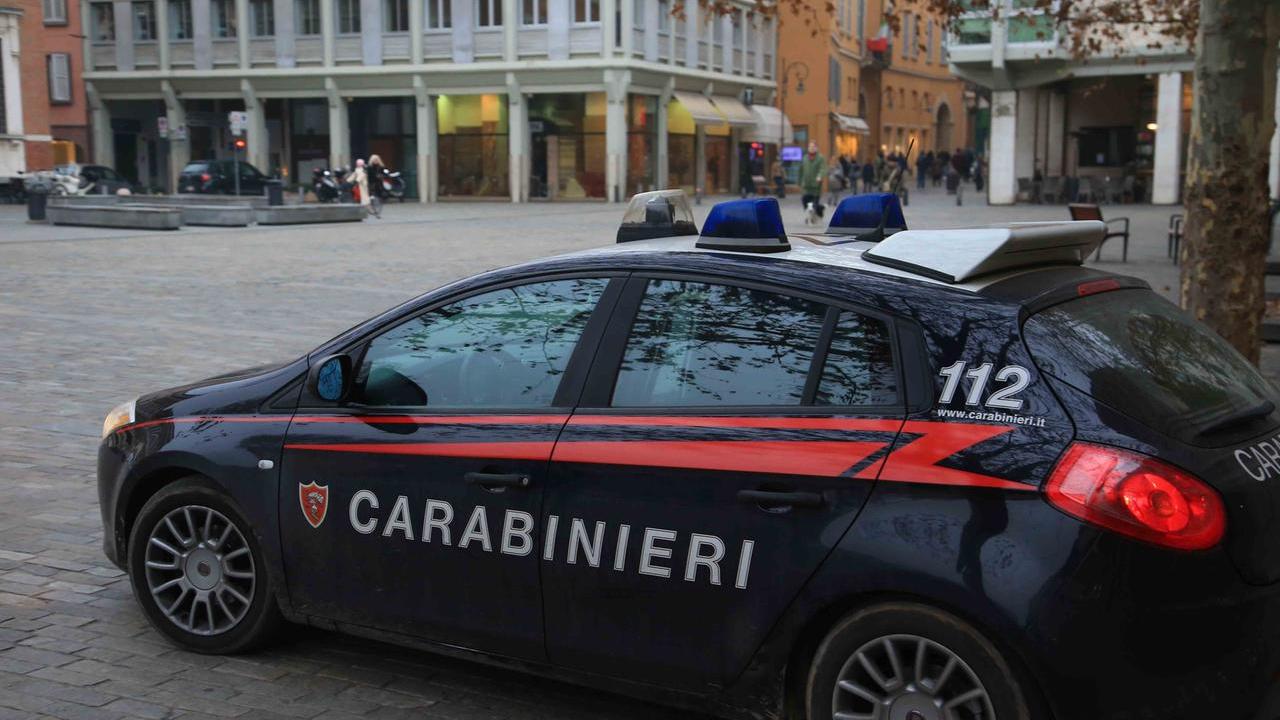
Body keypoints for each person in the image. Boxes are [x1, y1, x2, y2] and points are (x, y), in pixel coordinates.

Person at [797, 141, 826, 213]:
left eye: (813, 147)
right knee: (804, 201)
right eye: (810, 147)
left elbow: (823, 169)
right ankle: (810, 215)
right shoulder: (804, 158)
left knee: (814, 205)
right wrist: (799, 182)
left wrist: (820, 176)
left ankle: (815, 214)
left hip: (816, 187)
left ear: (816, 148)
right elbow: (800, 170)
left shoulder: (820, 158)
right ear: (808, 148)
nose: (811, 148)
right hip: (806, 186)